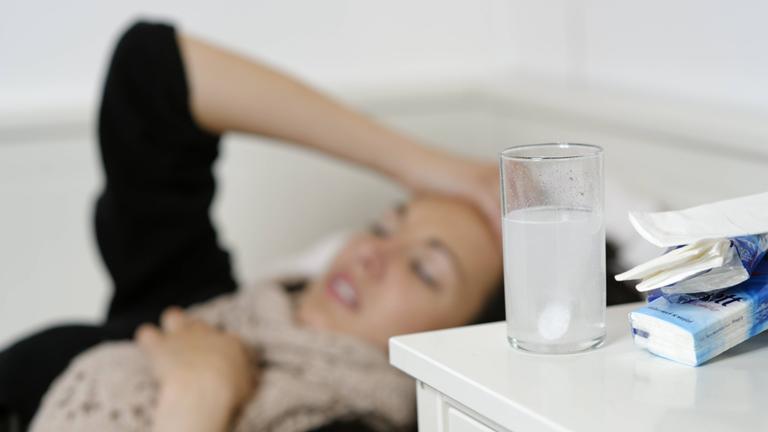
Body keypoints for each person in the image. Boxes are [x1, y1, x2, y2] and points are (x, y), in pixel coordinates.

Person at [0, 20, 505, 432]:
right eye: (382, 226)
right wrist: (420, 165)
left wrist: (199, 399)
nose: (370, 254)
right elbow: (152, 70)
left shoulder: (344, 423)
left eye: (424, 269)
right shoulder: (190, 311)